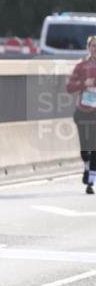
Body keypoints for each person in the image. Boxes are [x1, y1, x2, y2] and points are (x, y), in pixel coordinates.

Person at [66, 35, 96, 195]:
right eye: (93, 45)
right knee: (85, 150)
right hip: (83, 111)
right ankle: (86, 166)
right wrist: (84, 84)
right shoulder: (82, 66)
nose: (95, 48)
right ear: (88, 48)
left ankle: (91, 181)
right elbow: (69, 87)